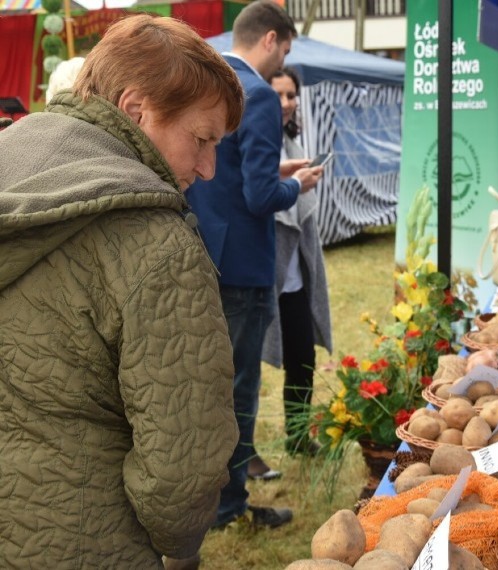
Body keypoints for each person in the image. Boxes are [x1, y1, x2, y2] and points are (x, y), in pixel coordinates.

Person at [0, 14, 240, 567]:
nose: (207, 168)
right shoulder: (158, 246)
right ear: (136, 111)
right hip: (86, 541)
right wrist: (178, 549)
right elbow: (182, 470)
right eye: (201, 140)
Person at [186, 0, 323, 528]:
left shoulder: (206, 82)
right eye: (284, 50)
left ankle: (207, 496)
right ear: (269, 39)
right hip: (244, 263)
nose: (280, 61)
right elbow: (261, 194)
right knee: (240, 390)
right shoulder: (260, 96)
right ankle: (229, 506)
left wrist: (274, 168)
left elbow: (226, 171)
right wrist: (298, 183)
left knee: (206, 384)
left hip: (204, 254)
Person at [252, 67, 332, 478]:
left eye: (291, 95)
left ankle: (298, 434)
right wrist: (297, 185)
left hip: (295, 270)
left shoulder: (293, 140)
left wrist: (306, 183)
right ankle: (244, 455)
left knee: (303, 357)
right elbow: (261, 198)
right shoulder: (257, 138)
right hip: (264, 268)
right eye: (279, 95)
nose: (287, 102)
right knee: (246, 367)